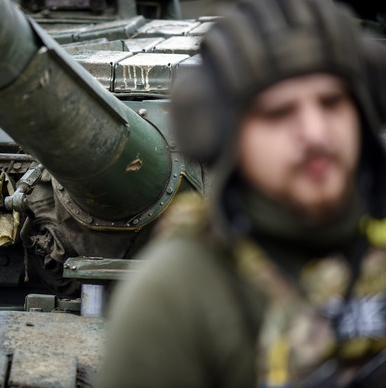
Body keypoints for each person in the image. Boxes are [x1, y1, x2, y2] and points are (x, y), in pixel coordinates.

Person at [98, 0, 386, 386]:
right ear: (226, 135)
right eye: (279, 113)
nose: (316, 134)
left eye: (332, 103)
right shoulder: (176, 297)